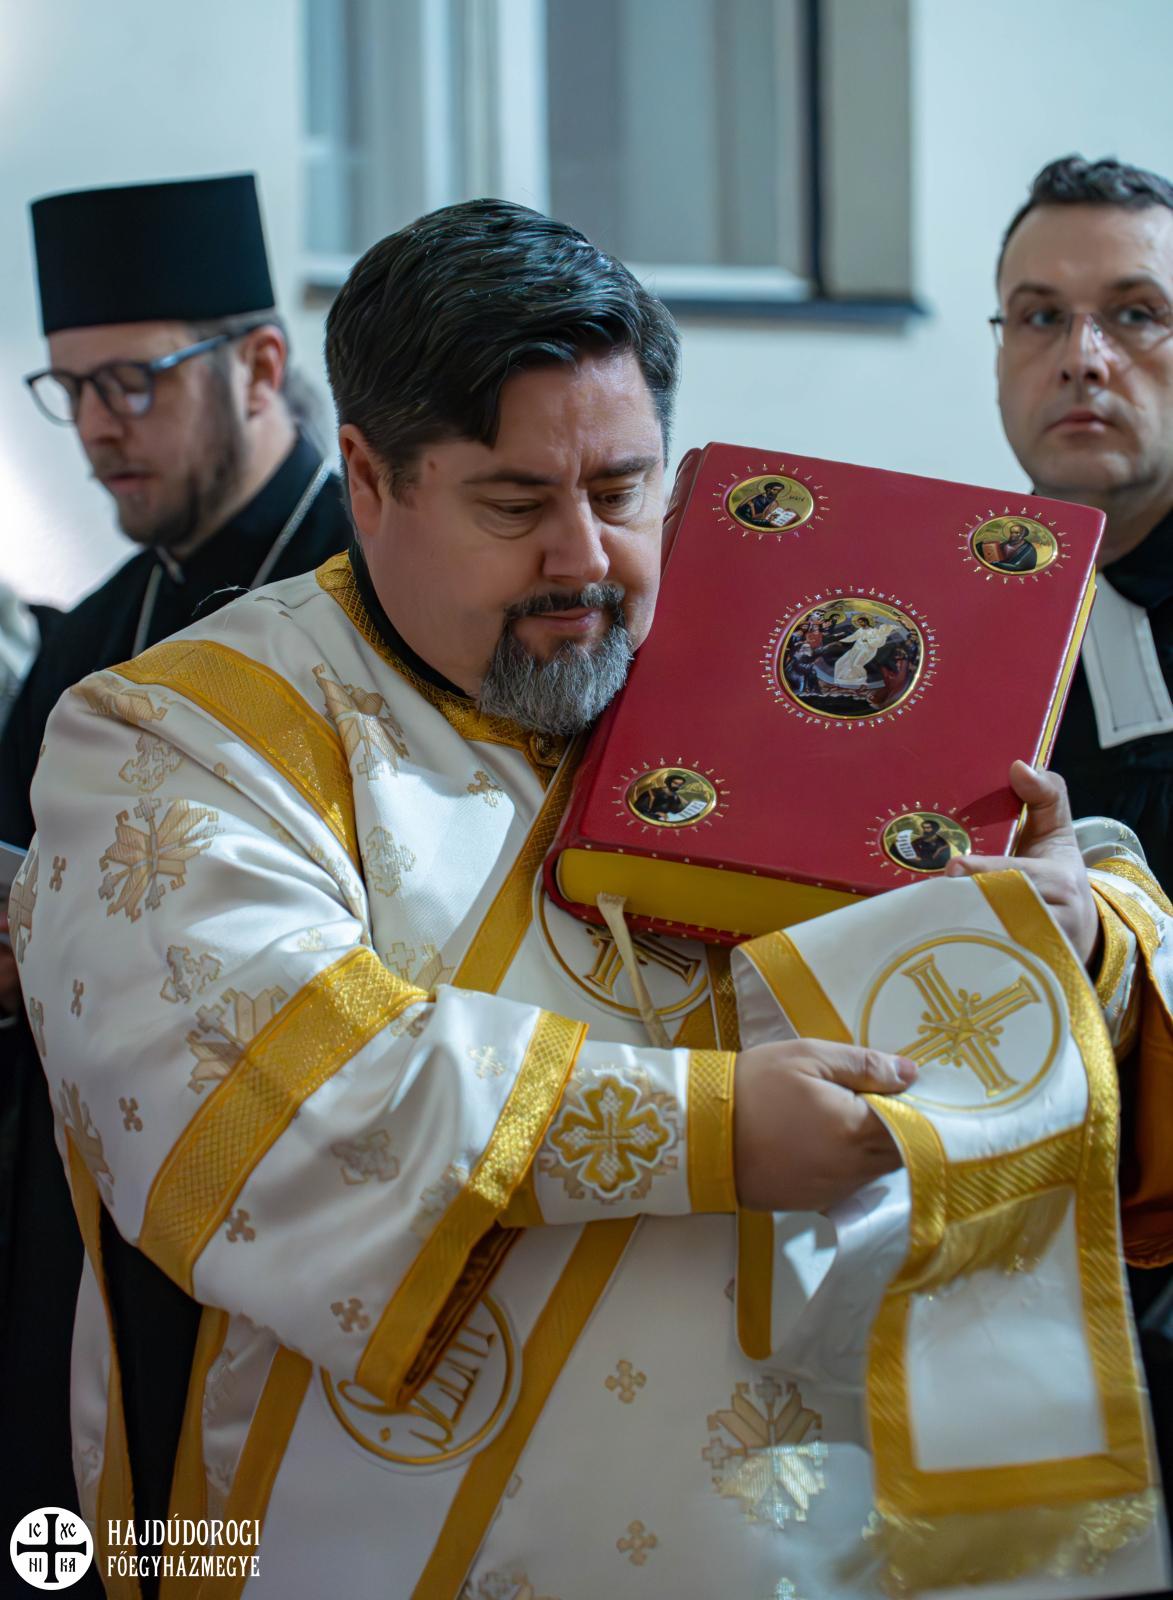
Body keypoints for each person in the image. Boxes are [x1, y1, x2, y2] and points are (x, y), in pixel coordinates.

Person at [14, 200, 1173, 1597]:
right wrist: (710, 1132)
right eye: (514, 507)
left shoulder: (755, 642)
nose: (584, 562)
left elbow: (1080, 898)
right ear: (369, 479)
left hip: (820, 1536)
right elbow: (268, 1086)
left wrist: (1073, 937)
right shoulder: (181, 737)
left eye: (622, 492)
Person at [0, 173, 350, 1557]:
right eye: (70, 388)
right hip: (85, 1222)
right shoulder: (91, 642)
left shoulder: (374, 600)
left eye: (132, 381)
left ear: (260, 365)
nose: (97, 426)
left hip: (303, 1201)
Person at [994, 153, 1173, 1490]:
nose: (1083, 356)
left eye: (1135, 314)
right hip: (1009, 1262)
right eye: (1040, 316)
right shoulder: (952, 605)